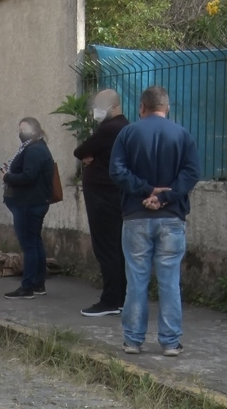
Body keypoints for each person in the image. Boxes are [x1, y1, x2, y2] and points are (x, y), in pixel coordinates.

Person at [110, 86, 200, 357]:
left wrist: (144, 190)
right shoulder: (182, 134)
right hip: (171, 217)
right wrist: (166, 196)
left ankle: (133, 340)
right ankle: (170, 342)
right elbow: (192, 172)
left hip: (136, 216)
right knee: (170, 281)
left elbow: (117, 171)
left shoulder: (127, 133)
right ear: (167, 107)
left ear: (142, 107)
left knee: (136, 280)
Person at [74, 89, 130, 317]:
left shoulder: (111, 128)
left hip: (103, 197)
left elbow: (80, 150)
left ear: (114, 107)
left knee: (107, 248)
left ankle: (111, 300)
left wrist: (90, 158)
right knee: (116, 247)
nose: (96, 110)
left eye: (101, 105)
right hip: (112, 195)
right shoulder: (124, 127)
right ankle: (121, 297)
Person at [1, 118, 56, 300]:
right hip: (33, 201)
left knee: (29, 245)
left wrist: (8, 177)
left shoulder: (34, 149)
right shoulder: (35, 147)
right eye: (19, 129)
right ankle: (38, 283)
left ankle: (28, 286)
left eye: (23, 129)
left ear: (34, 130)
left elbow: (28, 176)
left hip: (29, 203)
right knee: (35, 242)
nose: (20, 132)